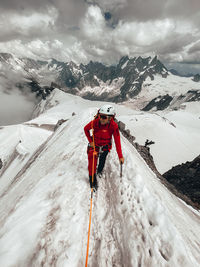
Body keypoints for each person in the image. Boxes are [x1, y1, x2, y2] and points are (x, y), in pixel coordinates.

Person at [84, 104, 124, 190]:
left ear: (110, 118)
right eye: (100, 116)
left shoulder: (114, 126)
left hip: (105, 146)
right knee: (92, 164)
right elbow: (86, 129)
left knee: (102, 159)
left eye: (104, 117)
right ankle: (92, 181)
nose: (101, 119)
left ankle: (99, 170)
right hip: (95, 145)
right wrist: (90, 142)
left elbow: (117, 141)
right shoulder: (95, 122)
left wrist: (120, 156)